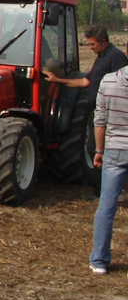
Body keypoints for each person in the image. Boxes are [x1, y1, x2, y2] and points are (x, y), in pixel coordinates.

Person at [45, 26, 128, 193]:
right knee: (93, 148)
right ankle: (102, 188)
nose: (90, 47)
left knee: (109, 151)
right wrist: (57, 80)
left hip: (111, 114)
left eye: (92, 44)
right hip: (97, 112)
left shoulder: (116, 57)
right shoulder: (100, 58)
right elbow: (85, 83)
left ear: (103, 42)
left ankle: (111, 189)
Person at [88, 64, 128, 274]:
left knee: (107, 205)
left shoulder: (109, 81)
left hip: (115, 149)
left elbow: (100, 120)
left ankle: (99, 260)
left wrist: (99, 150)